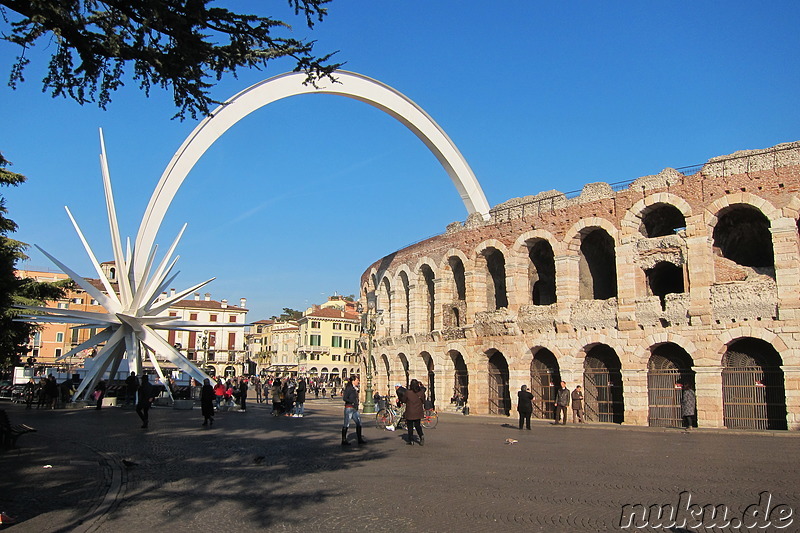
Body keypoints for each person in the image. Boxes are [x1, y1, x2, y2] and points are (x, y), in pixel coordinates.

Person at [341, 375, 366, 446]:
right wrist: (351, 402)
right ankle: (344, 440)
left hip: (354, 408)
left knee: (359, 423)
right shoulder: (349, 388)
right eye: (357, 380)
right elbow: (345, 398)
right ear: (353, 381)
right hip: (349, 408)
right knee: (346, 424)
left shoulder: (355, 388)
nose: (358, 381)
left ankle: (359, 439)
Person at [402, 379, 426, 446]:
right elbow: (423, 401)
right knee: (417, 425)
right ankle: (421, 436)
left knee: (410, 426)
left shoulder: (408, 392)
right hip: (418, 411)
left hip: (410, 411)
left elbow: (404, 400)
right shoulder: (421, 392)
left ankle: (411, 440)